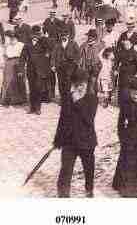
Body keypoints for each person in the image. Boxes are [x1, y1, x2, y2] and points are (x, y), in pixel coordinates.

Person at [54, 69, 98, 198]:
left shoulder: (92, 99)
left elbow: (89, 119)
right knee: (66, 169)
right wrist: (58, 138)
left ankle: (89, 189)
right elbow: (62, 119)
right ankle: (63, 194)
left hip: (86, 141)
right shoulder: (67, 98)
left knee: (88, 168)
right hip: (69, 141)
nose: (79, 87)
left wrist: (78, 102)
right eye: (76, 84)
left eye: (82, 84)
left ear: (87, 84)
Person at [20, 26, 51, 115]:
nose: (35, 36)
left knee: (38, 88)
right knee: (31, 88)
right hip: (30, 70)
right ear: (31, 34)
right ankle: (32, 107)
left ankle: (38, 108)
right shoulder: (27, 43)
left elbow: (50, 47)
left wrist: (43, 38)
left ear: (39, 34)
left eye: (37, 34)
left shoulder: (43, 42)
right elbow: (23, 56)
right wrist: (21, 69)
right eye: (34, 34)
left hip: (40, 70)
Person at [51, 29, 80, 102]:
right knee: (60, 83)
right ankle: (62, 98)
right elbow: (53, 55)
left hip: (70, 66)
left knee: (68, 82)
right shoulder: (57, 44)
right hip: (60, 66)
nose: (63, 37)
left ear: (68, 35)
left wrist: (75, 63)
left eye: (65, 35)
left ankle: (68, 98)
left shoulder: (73, 43)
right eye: (62, 35)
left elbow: (78, 54)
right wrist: (53, 65)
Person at [0, 31, 27, 106]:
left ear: (17, 38)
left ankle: (21, 99)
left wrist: (23, 65)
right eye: (11, 37)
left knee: (20, 80)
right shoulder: (7, 46)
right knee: (7, 81)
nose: (12, 39)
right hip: (9, 63)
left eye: (13, 37)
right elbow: (4, 55)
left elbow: (24, 55)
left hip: (18, 62)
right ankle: (6, 100)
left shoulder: (21, 45)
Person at [78, 29, 103, 95]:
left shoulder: (99, 45)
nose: (90, 37)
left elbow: (103, 58)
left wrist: (99, 66)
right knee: (85, 84)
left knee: (92, 84)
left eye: (91, 36)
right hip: (85, 67)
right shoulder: (83, 45)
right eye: (89, 36)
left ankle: (92, 99)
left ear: (95, 37)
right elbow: (78, 55)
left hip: (95, 67)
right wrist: (79, 64)